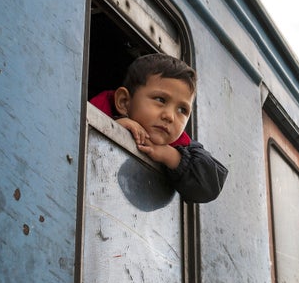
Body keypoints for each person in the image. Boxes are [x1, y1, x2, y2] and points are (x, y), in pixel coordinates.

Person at [90, 53, 228, 203]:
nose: (170, 116)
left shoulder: (181, 146)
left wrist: (171, 156)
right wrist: (114, 126)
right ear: (124, 102)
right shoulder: (101, 108)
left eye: (182, 110)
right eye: (160, 100)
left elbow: (211, 185)